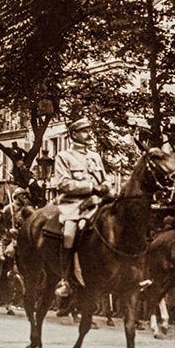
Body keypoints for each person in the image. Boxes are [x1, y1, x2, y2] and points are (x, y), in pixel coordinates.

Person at [50, 118, 111, 297]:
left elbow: (105, 178)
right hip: (73, 204)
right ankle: (65, 279)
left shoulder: (95, 156)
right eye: (84, 131)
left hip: (98, 202)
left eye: (88, 130)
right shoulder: (64, 157)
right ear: (74, 134)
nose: (88, 134)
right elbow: (63, 184)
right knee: (69, 233)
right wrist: (91, 187)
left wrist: (106, 186)